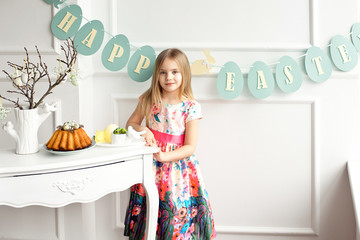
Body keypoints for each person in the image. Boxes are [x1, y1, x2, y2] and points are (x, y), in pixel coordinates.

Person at [124, 48, 216, 240]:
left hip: (178, 171)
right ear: (157, 75)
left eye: (175, 72)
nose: (169, 77)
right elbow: (131, 124)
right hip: (150, 166)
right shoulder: (149, 99)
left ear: (184, 74)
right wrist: (145, 130)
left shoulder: (190, 107)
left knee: (174, 215)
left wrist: (165, 156)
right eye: (163, 72)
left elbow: (190, 147)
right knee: (149, 215)